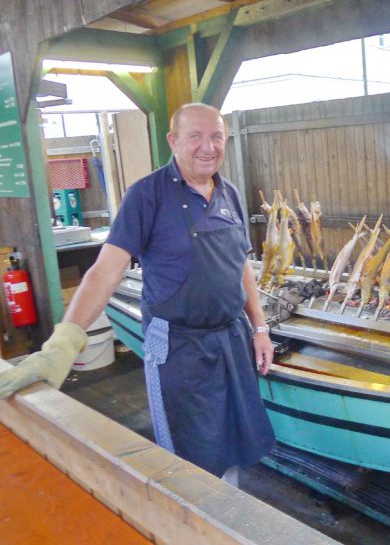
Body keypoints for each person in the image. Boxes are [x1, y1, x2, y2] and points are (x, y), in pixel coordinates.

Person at [0, 103, 275, 484]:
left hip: (231, 339)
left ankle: (226, 510)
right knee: (189, 456)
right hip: (179, 346)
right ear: (173, 140)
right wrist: (64, 342)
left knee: (233, 441)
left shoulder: (228, 193)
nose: (208, 147)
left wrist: (259, 327)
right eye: (195, 136)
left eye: (216, 136)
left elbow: (240, 263)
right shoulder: (146, 196)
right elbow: (105, 272)